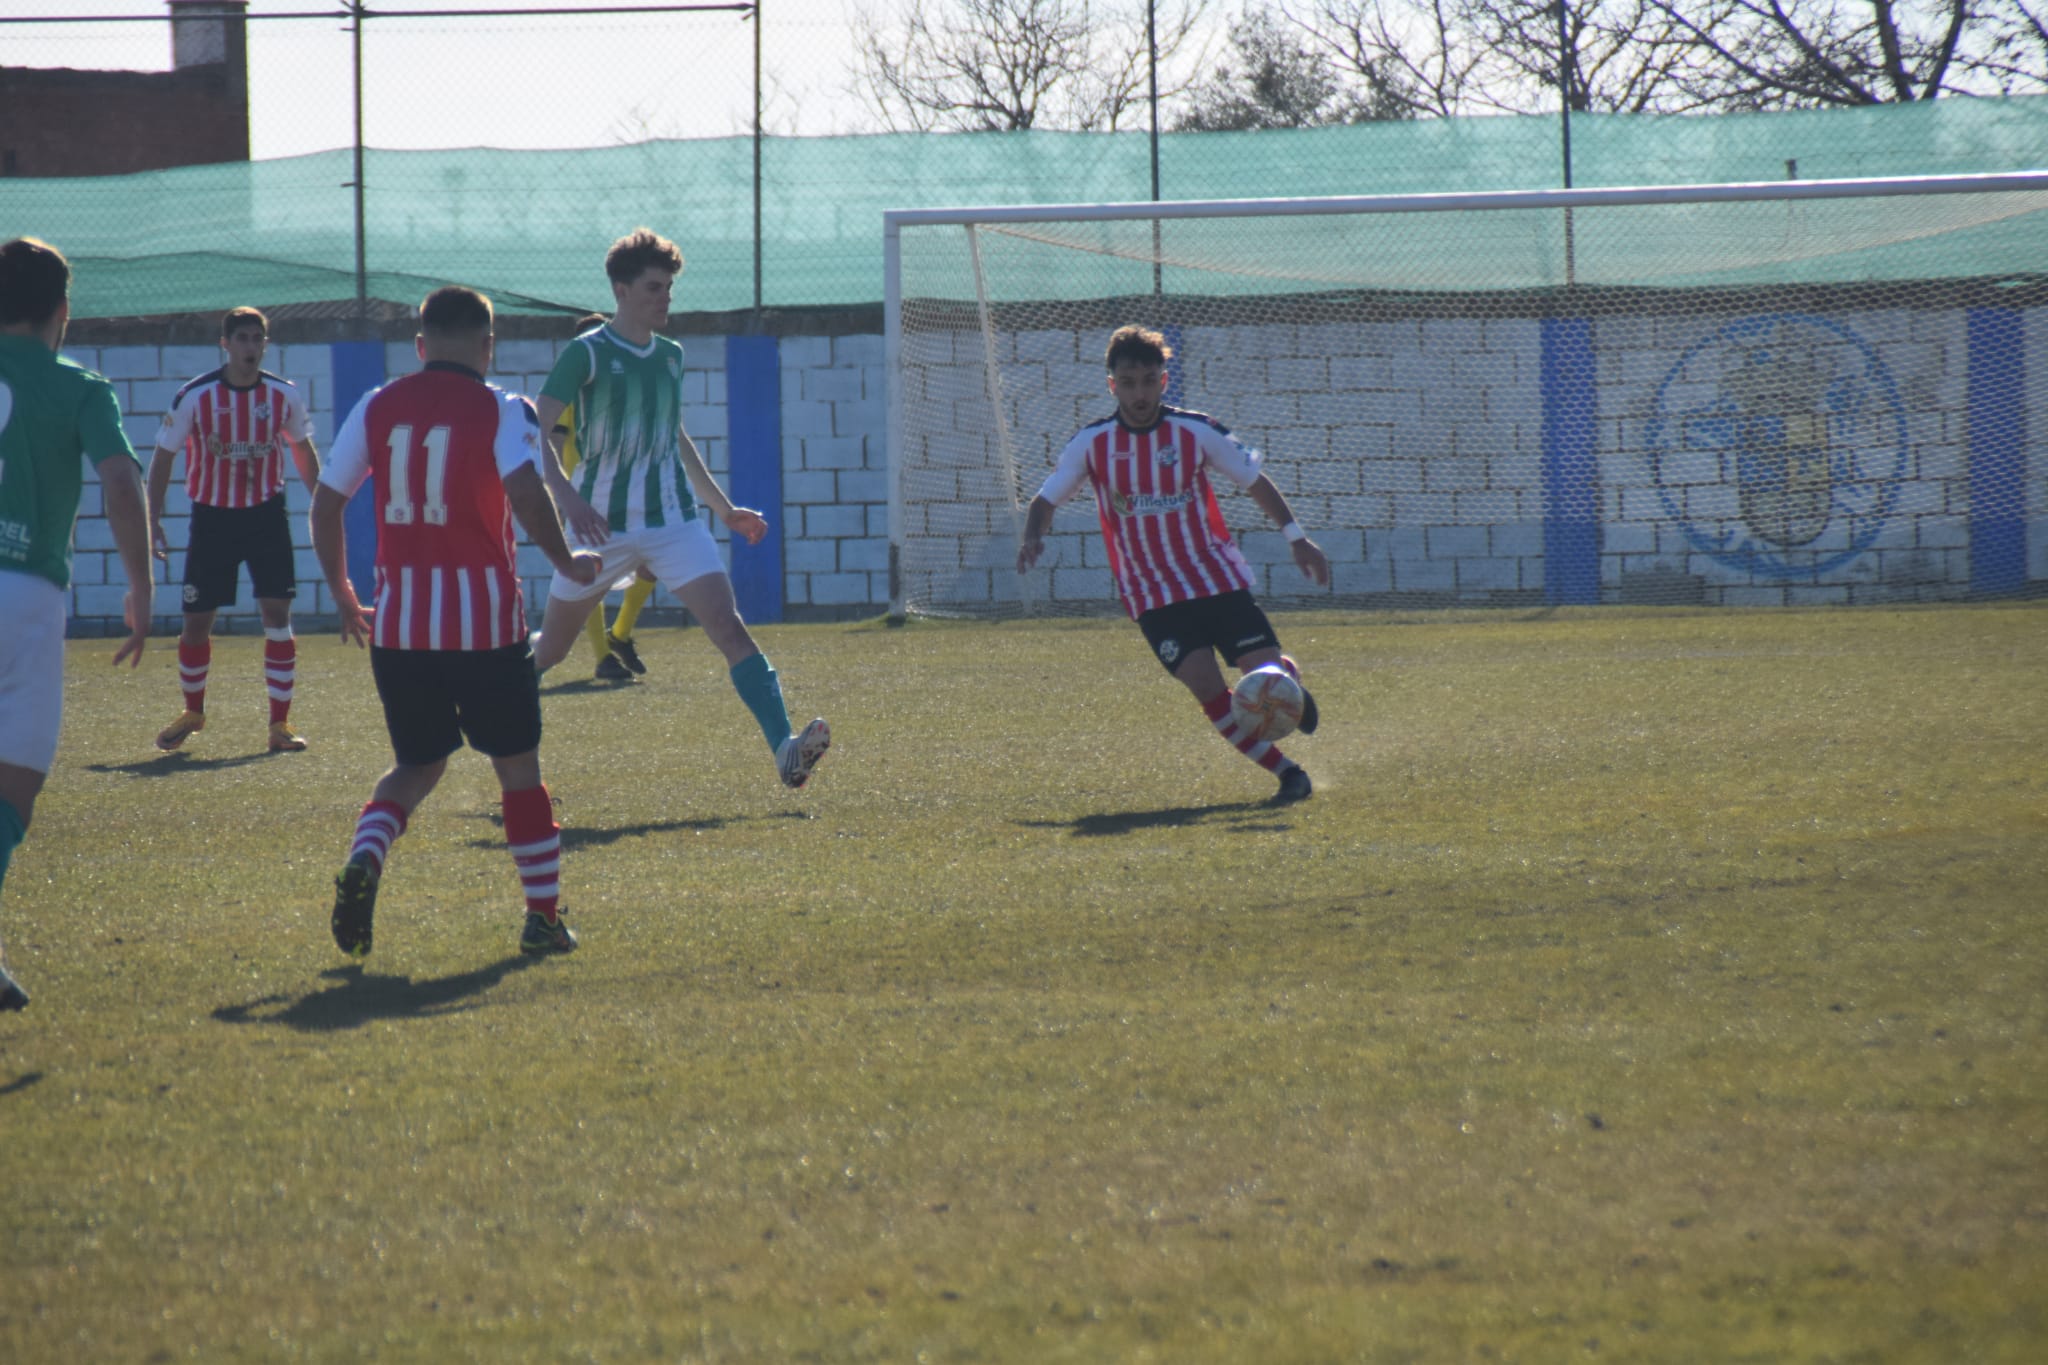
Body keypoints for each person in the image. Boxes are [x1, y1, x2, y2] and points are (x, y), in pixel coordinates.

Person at [310, 286, 602, 960]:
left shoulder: (376, 404)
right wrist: (566, 558)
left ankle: (365, 855)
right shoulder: (505, 407)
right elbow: (526, 492)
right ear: (488, 345)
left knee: (415, 764)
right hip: (485, 626)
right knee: (518, 769)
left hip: (400, 624)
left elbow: (325, 506)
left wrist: (342, 591)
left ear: (420, 344)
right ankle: (544, 918)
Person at [530, 227, 830, 789]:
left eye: (668, 288)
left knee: (729, 627)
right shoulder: (586, 352)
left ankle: (785, 750)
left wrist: (723, 509)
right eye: (653, 287)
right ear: (620, 290)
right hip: (600, 527)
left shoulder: (671, 356)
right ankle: (486, 720)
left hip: (672, 522)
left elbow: (675, 438)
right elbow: (536, 431)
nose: (665, 298)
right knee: (550, 650)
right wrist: (567, 498)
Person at [1016, 325, 1330, 804]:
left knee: (1264, 676)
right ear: (1111, 385)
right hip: (1151, 593)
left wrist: (1297, 537)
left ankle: (1287, 683)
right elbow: (1045, 500)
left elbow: (1253, 479)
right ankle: (1289, 774)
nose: (1138, 392)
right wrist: (1033, 537)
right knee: (1209, 689)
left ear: (1164, 381)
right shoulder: (1091, 443)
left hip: (1214, 579)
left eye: (1148, 380)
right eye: (1128, 382)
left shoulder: (1195, 430)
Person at [0, 238, 155, 1010]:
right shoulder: (80, 387)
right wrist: (139, 582)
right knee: (15, 783)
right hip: (25, 599)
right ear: (63, 312)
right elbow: (122, 480)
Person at [147, 306, 323, 753]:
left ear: (266, 344)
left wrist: (324, 505)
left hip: (266, 516)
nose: (250, 347)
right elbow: (164, 456)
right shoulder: (195, 396)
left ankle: (279, 725)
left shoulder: (283, 396)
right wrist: (152, 519)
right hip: (213, 519)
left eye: (257, 339)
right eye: (241, 339)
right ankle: (193, 710)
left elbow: (302, 450)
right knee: (196, 624)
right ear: (224, 344)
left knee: (277, 618)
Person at [550, 311, 660, 683]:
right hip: (587, 497)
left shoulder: (625, 384)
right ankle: (602, 658)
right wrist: (564, 498)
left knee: (653, 561)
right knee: (589, 574)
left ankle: (621, 634)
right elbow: (553, 441)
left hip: (629, 491)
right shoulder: (571, 391)